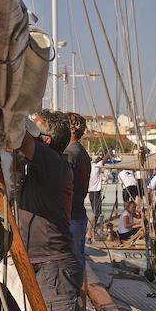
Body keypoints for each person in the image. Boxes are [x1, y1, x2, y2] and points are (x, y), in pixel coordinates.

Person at [18, 110, 114, 311]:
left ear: (45, 140)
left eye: (36, 129)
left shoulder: (53, 162)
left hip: (54, 266)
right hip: (36, 262)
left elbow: (19, 136)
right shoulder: (42, 165)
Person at [64, 113, 91, 267]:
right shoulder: (82, 153)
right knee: (78, 259)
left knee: (72, 261)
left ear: (72, 129)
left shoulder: (70, 154)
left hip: (71, 215)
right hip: (78, 213)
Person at [86, 150, 110, 242]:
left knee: (97, 213)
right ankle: (89, 234)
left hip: (93, 192)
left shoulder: (90, 166)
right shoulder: (96, 166)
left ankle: (91, 232)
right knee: (96, 213)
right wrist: (110, 151)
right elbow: (105, 159)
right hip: (95, 192)